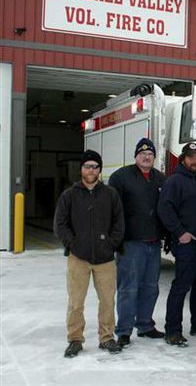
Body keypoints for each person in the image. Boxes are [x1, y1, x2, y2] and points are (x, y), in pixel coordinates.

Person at [54, 150, 124, 358]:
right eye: (87, 166)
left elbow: (119, 224)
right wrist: (73, 244)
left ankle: (107, 337)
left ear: (100, 170)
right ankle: (75, 339)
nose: (91, 170)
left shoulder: (111, 194)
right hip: (78, 258)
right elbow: (60, 224)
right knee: (76, 302)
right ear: (81, 169)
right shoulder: (69, 195)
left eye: (95, 166)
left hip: (105, 259)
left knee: (108, 301)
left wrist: (110, 244)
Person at [158, 142, 196, 346]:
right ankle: (172, 330)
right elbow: (165, 209)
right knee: (182, 286)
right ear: (183, 159)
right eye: (191, 157)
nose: (195, 160)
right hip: (187, 244)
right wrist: (180, 233)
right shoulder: (175, 182)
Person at [108, 138, 166, 348]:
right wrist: (115, 239)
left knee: (150, 287)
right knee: (128, 288)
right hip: (130, 244)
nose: (146, 156)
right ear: (135, 156)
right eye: (142, 153)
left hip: (153, 243)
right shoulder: (121, 177)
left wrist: (166, 235)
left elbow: (165, 210)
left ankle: (145, 325)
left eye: (150, 153)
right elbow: (112, 210)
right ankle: (123, 331)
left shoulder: (160, 178)